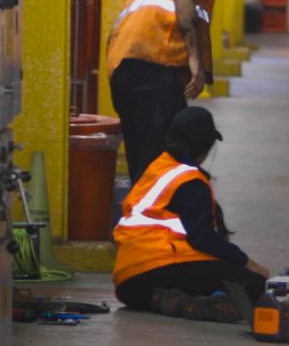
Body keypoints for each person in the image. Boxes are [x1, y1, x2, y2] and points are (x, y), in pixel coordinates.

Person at [112, 107, 271, 321]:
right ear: (205, 145)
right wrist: (248, 263)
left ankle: (167, 299)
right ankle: (201, 304)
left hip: (128, 285)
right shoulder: (189, 181)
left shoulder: (159, 167)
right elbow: (203, 238)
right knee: (252, 283)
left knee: (202, 271)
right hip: (160, 268)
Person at [107, 0, 222, 180]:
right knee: (159, 161)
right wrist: (195, 60)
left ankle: (141, 216)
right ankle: (150, 219)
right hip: (156, 62)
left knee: (142, 157)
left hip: (123, 65)